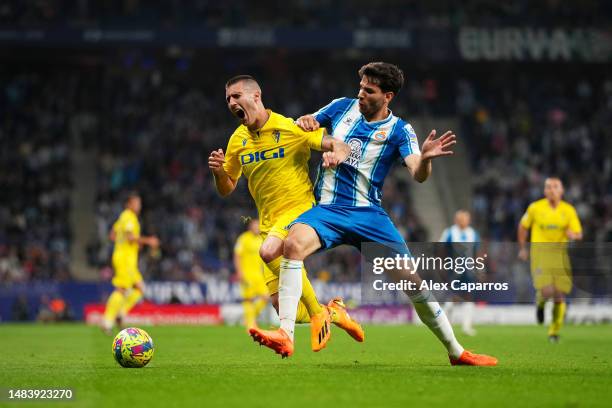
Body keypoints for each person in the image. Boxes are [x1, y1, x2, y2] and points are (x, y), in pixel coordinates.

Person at [250, 62, 497, 365]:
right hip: (327, 209)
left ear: (388, 96)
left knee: (413, 282)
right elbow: (306, 126)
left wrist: (427, 159)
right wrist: (307, 121)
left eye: (369, 91)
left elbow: (418, 173)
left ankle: (456, 351)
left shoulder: (400, 130)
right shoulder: (341, 107)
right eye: (361, 87)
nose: (361, 95)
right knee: (292, 245)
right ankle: (285, 334)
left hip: (370, 216)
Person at [208, 75, 363, 353]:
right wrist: (220, 172)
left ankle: (317, 314)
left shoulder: (290, 128)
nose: (231, 103)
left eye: (236, 96)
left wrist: (338, 153)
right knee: (282, 305)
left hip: (299, 209)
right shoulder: (237, 140)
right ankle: (334, 311)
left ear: (256, 96)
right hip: (269, 221)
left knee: (267, 252)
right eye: (228, 99)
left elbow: (336, 144)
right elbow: (227, 188)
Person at [518, 177, 582, 342]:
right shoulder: (535, 208)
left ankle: (554, 332)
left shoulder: (569, 210)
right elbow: (523, 227)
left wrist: (572, 235)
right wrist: (522, 248)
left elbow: (578, 233)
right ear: (544, 191)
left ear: (561, 191)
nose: (551, 190)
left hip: (560, 255)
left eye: (555, 187)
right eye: (548, 187)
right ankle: (540, 303)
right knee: (547, 291)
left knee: (559, 294)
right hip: (540, 255)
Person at [101, 192, 159, 335]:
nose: (139, 206)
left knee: (139, 288)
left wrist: (127, 243)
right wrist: (148, 241)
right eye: (136, 203)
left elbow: (112, 235)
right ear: (129, 204)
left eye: (139, 203)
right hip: (125, 259)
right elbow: (131, 237)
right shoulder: (128, 216)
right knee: (121, 289)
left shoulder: (123, 217)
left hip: (127, 258)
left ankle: (120, 313)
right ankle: (107, 322)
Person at [440, 210, 481, 336]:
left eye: (466, 219)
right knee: (453, 296)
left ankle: (466, 326)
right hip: (453, 269)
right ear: (457, 220)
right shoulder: (449, 232)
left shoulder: (472, 233)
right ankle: (444, 323)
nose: (465, 221)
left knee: (469, 296)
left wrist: (479, 268)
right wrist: (441, 265)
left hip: (469, 270)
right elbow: (440, 249)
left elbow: (477, 252)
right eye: (462, 219)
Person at [234, 218, 269, 329]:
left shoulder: (261, 239)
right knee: (248, 299)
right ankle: (250, 324)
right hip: (246, 274)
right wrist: (239, 271)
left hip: (259, 275)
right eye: (255, 225)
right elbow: (237, 256)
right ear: (250, 226)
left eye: (258, 226)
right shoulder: (243, 238)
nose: (257, 227)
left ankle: (249, 318)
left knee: (266, 297)